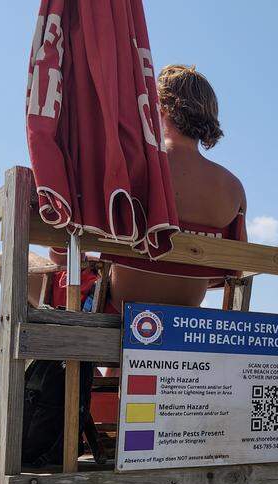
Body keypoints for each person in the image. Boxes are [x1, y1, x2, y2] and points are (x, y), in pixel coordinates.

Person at [104, 64, 248, 311]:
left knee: (37, 267)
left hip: (118, 314)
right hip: (185, 318)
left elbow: (61, 253)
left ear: (159, 107)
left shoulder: (133, 167)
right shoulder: (233, 188)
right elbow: (234, 268)